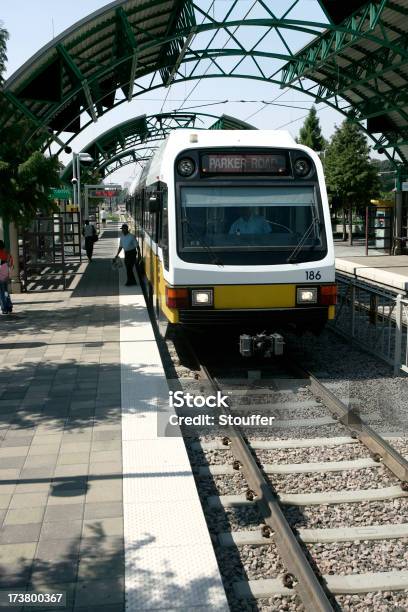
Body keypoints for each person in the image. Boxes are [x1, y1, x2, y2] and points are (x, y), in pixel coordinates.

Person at [0, 240, 13, 315]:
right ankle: (9, 306)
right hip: (5, 275)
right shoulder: (7, 254)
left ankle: (4, 308)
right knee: (5, 291)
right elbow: (11, 264)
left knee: (1, 293)